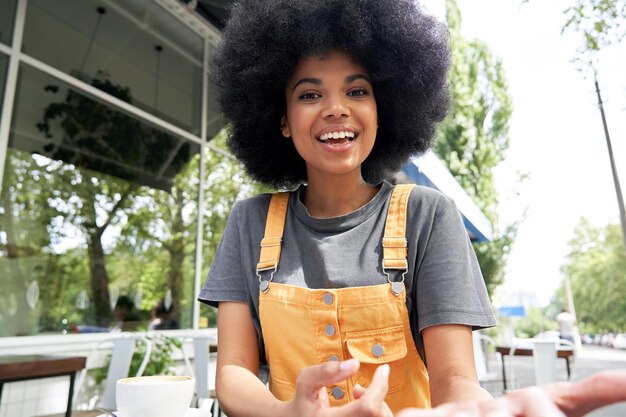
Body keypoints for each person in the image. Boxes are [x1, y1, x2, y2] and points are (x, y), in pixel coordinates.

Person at [198, 0, 626, 415]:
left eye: (357, 90)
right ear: (283, 119)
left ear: (383, 111)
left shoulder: (428, 216)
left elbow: (455, 378)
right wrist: (288, 413)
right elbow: (233, 373)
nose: (336, 109)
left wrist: (479, 412)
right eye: (310, 94)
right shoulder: (249, 222)